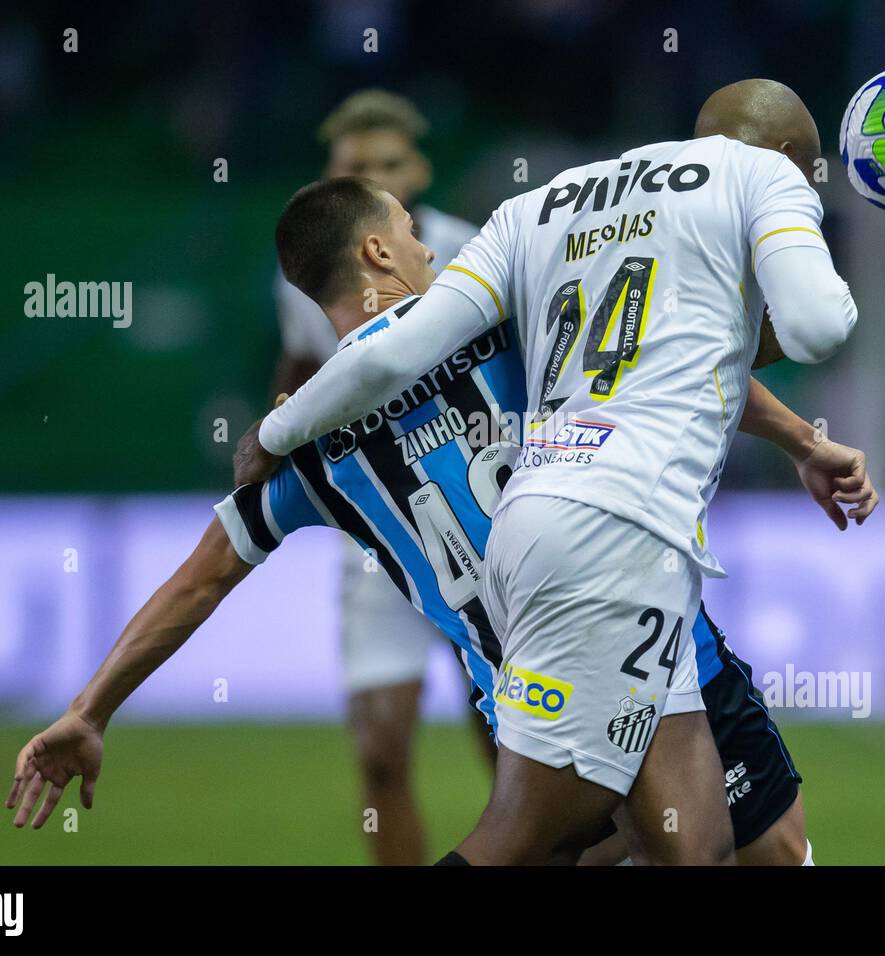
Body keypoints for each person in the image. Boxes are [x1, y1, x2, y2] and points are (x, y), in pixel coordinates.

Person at [6, 177, 877, 867]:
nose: (430, 250)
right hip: (630, 613)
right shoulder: (498, 322)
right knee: (698, 850)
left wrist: (91, 710)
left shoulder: (304, 445)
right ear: (379, 249)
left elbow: (200, 579)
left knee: (758, 848)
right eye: (414, 236)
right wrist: (803, 438)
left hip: (523, 690)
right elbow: (654, 362)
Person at [249, 79, 859, 864]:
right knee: (544, 837)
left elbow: (397, 345)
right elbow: (815, 328)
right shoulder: (760, 175)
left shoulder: (540, 206)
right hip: (630, 528)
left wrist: (275, 429)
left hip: (528, 521)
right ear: (782, 160)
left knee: (658, 838)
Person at [272, 89, 478, 865]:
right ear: (333, 172)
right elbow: (298, 373)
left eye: (388, 163)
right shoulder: (308, 274)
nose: (376, 176)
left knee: (511, 745)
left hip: (476, 524)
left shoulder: (465, 253)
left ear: (417, 169)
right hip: (380, 540)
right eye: (357, 165)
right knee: (382, 748)